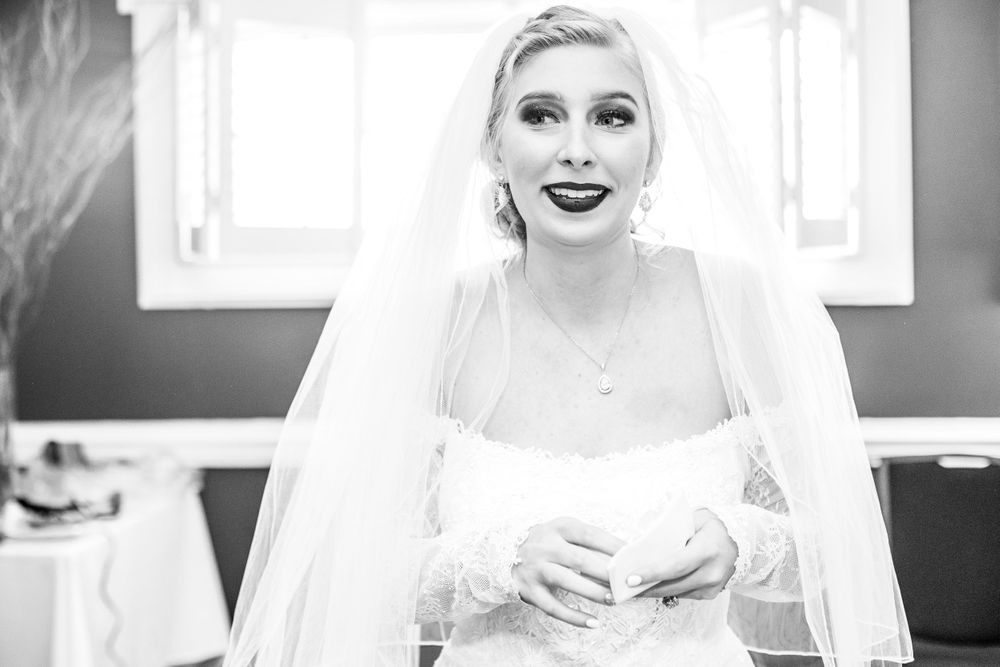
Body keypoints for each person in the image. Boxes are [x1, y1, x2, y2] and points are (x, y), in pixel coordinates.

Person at [224, 6, 912, 666]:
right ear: (494, 146)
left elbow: (835, 545)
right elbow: (354, 575)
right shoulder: (434, 324)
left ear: (654, 150)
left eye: (611, 117)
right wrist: (496, 560)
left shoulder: (739, 306)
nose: (577, 151)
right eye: (540, 116)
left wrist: (744, 541)